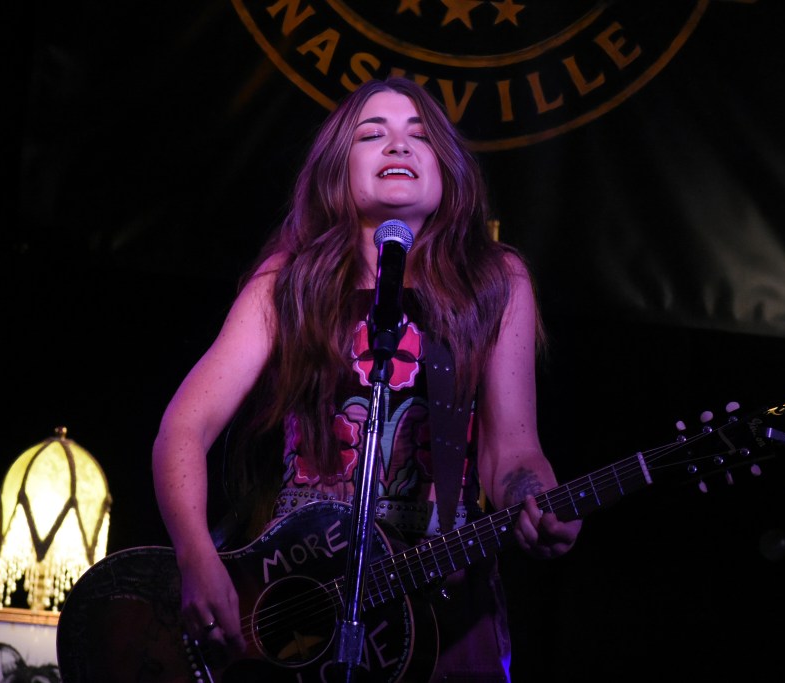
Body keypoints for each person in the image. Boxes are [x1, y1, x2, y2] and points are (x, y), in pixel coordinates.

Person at [151, 76, 582, 682]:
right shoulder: (289, 280)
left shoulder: (496, 280)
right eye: (372, 134)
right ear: (337, 168)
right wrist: (195, 554)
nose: (398, 146)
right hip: (304, 593)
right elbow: (184, 427)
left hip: (442, 595)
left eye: (420, 136)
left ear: (446, 168)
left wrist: (535, 498)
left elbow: (513, 451)